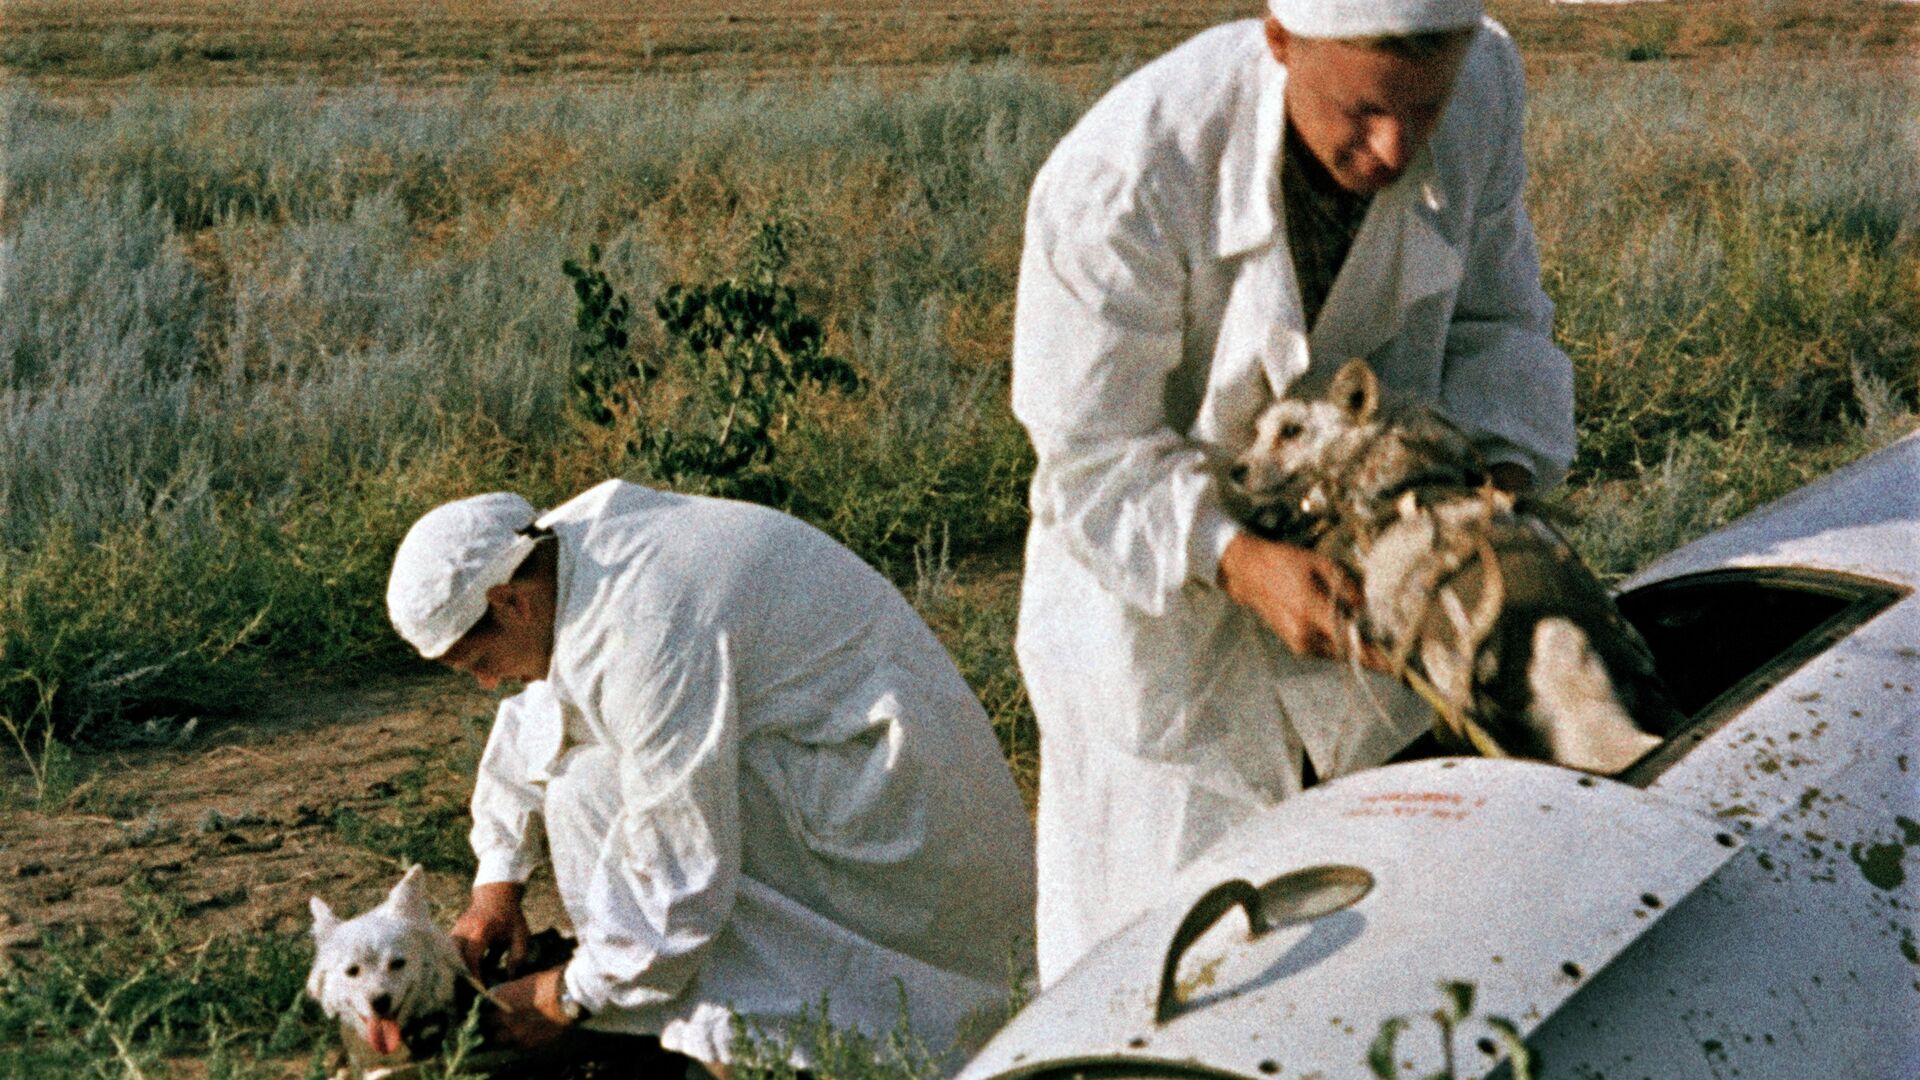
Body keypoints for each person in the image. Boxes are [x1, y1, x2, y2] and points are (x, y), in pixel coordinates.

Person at [1011, 0, 1577, 984]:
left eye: (1424, 108)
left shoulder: (1483, 82)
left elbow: (1498, 321)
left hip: (1371, 628)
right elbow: (1093, 458)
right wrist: (1236, 560)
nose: (1396, 148)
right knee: (1163, 975)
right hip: (1161, 636)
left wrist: (1495, 488)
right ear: (1280, 38)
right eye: (1361, 110)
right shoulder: (1128, 177)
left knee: (1367, 962)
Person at [385, 480, 1036, 1071]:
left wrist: (568, 996)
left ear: (510, 603)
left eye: (480, 660)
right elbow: (533, 718)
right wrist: (497, 884)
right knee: (586, 779)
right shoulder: (563, 556)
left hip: (900, 811)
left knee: (615, 800)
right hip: (834, 760)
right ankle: (644, 1012)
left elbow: (683, 866)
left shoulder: (648, 626)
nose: (488, 681)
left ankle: (736, 1044)